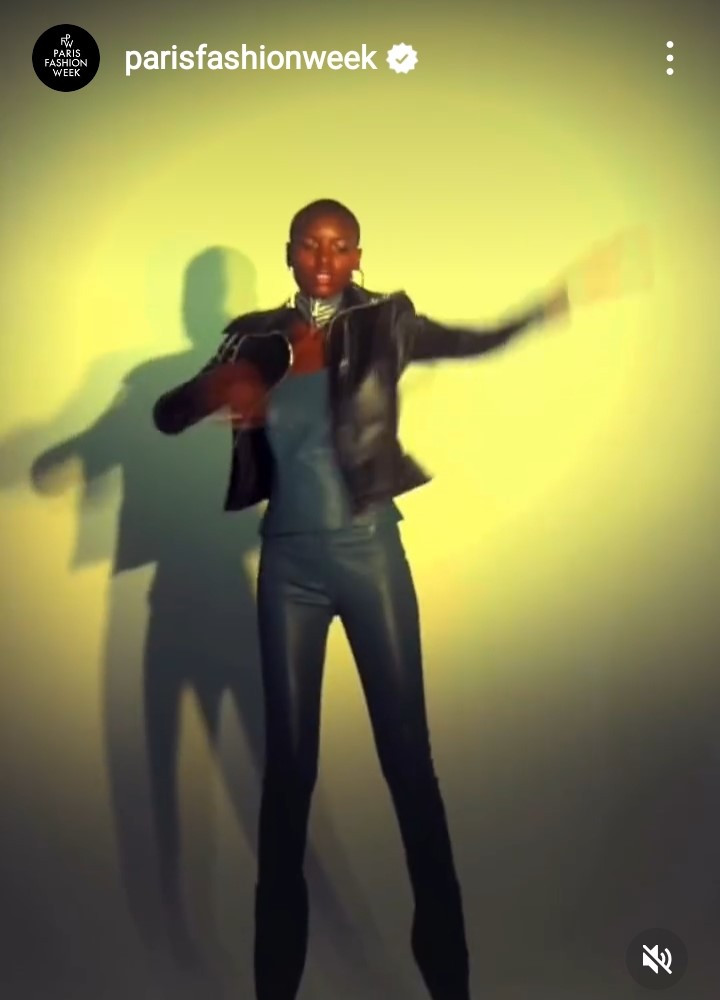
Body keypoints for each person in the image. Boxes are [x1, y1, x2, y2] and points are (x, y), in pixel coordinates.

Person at [152, 198, 571, 1000]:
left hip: (369, 556)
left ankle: (449, 979)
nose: (324, 258)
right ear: (288, 252)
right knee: (288, 776)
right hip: (288, 568)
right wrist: (219, 386)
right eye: (311, 245)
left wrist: (545, 309)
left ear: (356, 257)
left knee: (409, 764)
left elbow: (473, 341)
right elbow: (167, 414)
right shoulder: (251, 336)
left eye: (339, 246)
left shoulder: (387, 323)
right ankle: (275, 985)